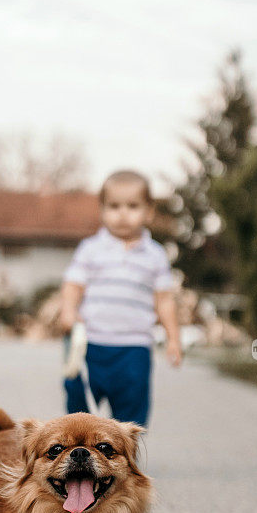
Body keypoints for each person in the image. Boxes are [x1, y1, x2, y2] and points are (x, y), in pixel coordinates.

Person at [59, 169, 182, 427]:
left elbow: (164, 300)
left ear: (149, 211)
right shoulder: (90, 249)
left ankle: (125, 463)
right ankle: (78, 456)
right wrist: (69, 311)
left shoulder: (155, 255)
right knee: (77, 404)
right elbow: (73, 285)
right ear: (102, 210)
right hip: (89, 345)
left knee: (131, 412)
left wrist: (173, 338)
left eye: (133, 206)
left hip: (134, 348)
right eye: (114, 206)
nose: (123, 213)